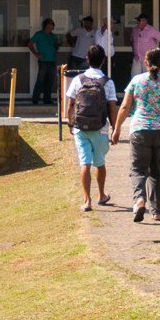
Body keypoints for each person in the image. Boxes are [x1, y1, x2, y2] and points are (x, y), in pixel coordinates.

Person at [110, 46, 160, 223]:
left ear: (145, 62)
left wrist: (117, 128)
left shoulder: (137, 81)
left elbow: (125, 106)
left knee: (138, 169)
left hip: (140, 129)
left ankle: (139, 200)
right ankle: (157, 211)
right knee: (157, 171)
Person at [64, 44, 119, 212]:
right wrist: (115, 128)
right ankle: (101, 194)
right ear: (103, 60)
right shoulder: (108, 82)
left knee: (84, 162)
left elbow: (70, 104)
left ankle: (87, 200)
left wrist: (71, 122)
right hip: (100, 128)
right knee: (100, 163)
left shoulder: (78, 79)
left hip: (81, 127)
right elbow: (112, 108)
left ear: (87, 59)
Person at [28, 17, 60, 105]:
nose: (54, 26)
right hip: (43, 61)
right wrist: (35, 53)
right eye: (52, 24)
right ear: (47, 25)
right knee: (41, 80)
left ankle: (47, 99)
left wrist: (56, 48)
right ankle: (35, 99)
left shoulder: (53, 36)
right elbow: (29, 43)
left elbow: (56, 44)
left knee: (50, 80)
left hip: (52, 60)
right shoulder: (39, 34)